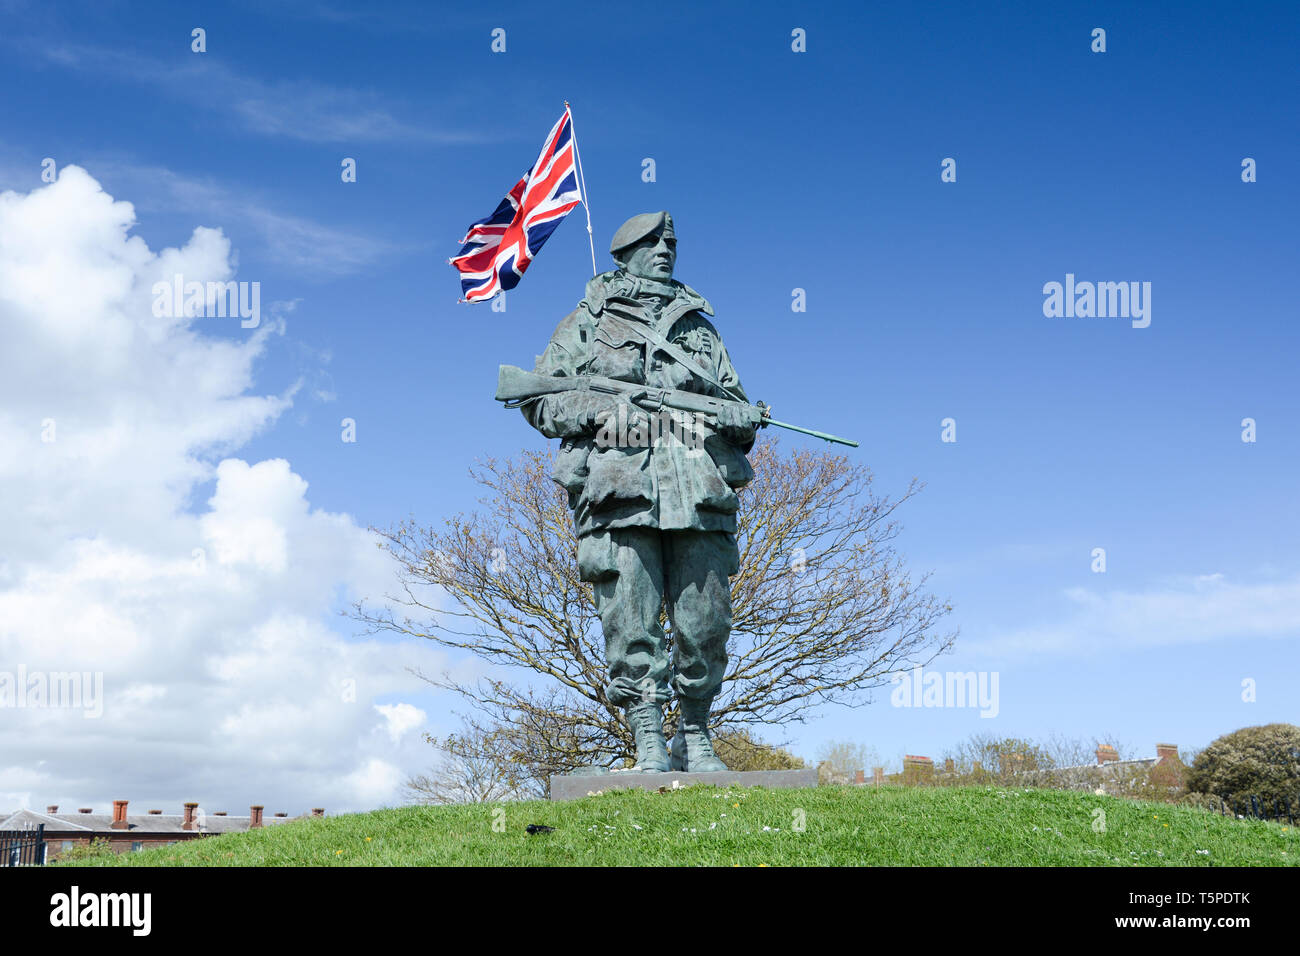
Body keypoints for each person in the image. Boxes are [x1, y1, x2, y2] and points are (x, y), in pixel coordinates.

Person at [519, 211, 760, 771]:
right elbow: (541, 400)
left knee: (706, 621)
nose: (664, 249)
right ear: (623, 252)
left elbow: (735, 401)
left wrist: (738, 417)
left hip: (699, 489)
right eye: (652, 242)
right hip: (620, 491)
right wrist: (610, 408)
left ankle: (695, 732)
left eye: (671, 242)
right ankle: (649, 733)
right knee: (630, 621)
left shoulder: (699, 328)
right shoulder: (589, 321)